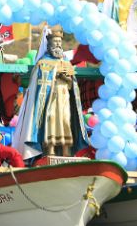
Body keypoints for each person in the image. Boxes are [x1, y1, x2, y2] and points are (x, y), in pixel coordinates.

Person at [12, 28, 88, 161]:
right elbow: (38, 83)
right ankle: (50, 150)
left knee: (66, 122)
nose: (58, 44)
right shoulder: (43, 62)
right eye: (55, 41)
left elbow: (72, 83)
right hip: (50, 98)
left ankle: (66, 151)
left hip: (64, 97)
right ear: (49, 44)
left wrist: (66, 77)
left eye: (59, 42)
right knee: (51, 121)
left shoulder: (66, 62)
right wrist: (54, 75)